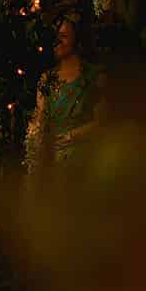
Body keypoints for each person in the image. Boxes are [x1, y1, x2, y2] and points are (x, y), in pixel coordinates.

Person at [24, 15, 101, 173]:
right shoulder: (47, 78)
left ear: (77, 39)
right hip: (52, 161)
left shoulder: (93, 77)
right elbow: (41, 114)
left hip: (85, 160)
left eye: (63, 36)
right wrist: (35, 133)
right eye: (55, 36)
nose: (57, 41)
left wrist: (71, 136)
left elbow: (103, 121)